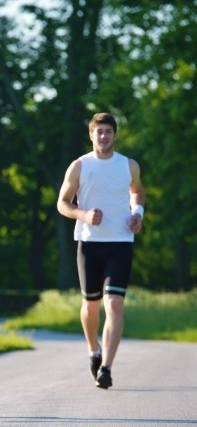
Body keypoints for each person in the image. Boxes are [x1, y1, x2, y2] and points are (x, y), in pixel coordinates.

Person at [57, 112, 145, 389]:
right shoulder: (80, 166)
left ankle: (106, 367)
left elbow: (137, 191)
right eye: (99, 132)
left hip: (120, 243)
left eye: (108, 131)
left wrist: (138, 213)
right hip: (89, 243)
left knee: (115, 303)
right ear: (91, 135)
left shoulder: (128, 165)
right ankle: (93, 350)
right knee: (90, 306)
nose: (104, 136)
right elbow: (62, 203)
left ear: (115, 135)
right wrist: (83, 215)